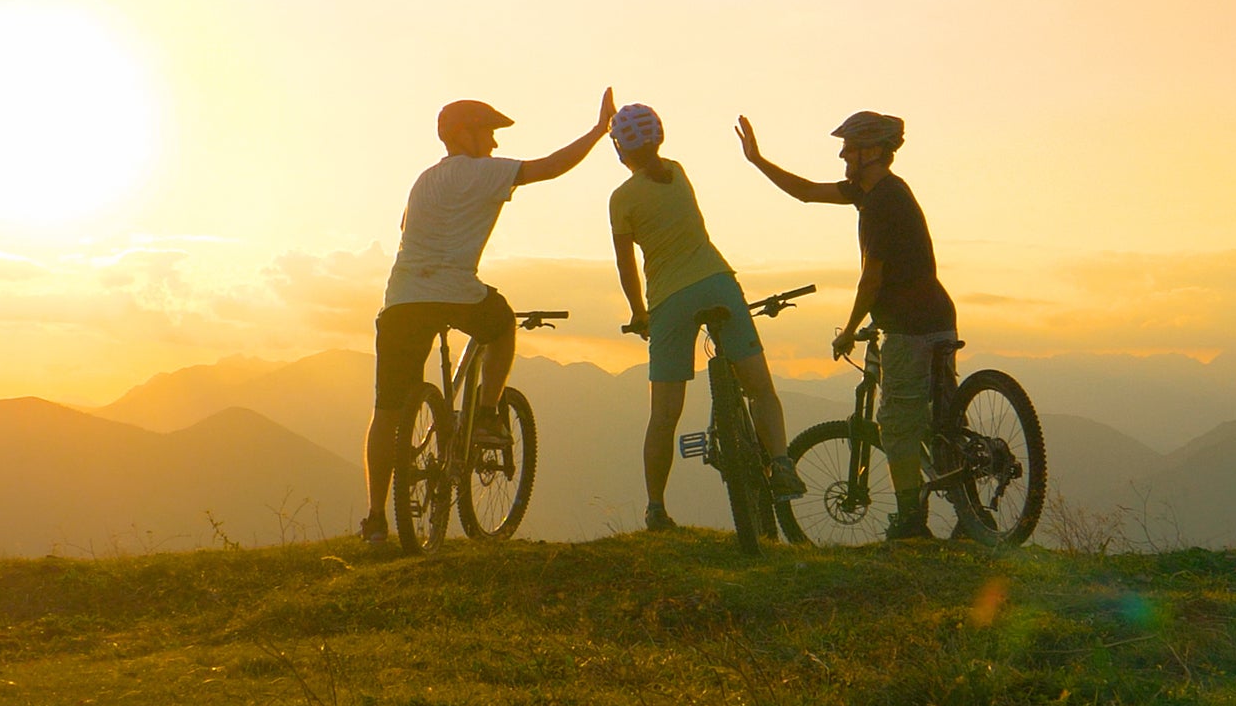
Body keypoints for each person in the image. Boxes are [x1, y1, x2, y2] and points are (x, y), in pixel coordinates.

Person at [362, 90, 616, 545]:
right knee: (501, 325)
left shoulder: (422, 181)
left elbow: (406, 229)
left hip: (400, 298)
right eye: (490, 133)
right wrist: (598, 132)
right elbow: (551, 166)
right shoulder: (483, 173)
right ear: (463, 134)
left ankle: (376, 520)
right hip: (455, 292)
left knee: (387, 411)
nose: (495, 144)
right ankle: (486, 413)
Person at [735, 110, 957, 539]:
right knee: (938, 419)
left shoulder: (880, 204)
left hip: (910, 327)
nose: (842, 155)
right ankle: (971, 510)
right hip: (937, 315)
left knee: (896, 424)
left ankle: (911, 523)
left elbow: (871, 277)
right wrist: (757, 160)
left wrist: (849, 328)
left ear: (872, 152)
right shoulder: (879, 192)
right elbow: (805, 193)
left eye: (850, 149)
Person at [607, 103, 804, 531]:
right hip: (717, 282)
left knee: (664, 415)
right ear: (660, 137)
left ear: (619, 148)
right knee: (760, 389)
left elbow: (626, 266)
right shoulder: (677, 171)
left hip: (668, 302)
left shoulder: (621, 199)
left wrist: (638, 313)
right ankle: (782, 462)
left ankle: (656, 509)